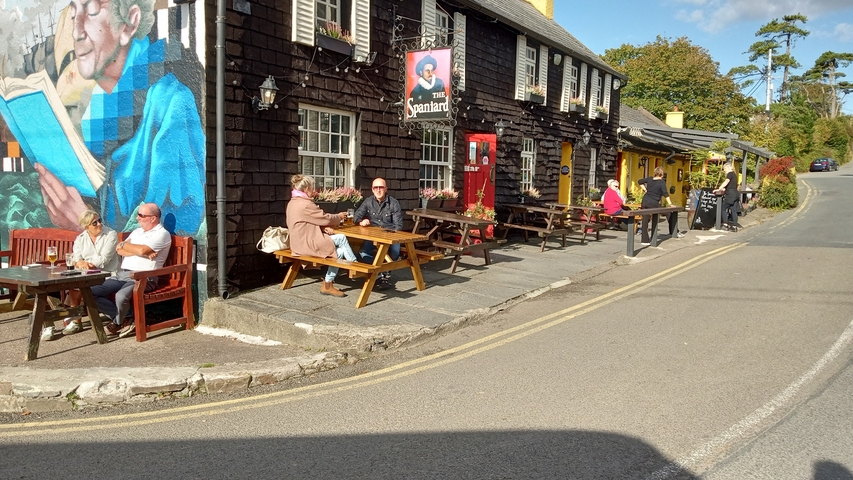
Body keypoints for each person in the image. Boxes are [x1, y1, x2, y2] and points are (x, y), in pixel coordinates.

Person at [35, 0, 205, 236]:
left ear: (129, 23)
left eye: (91, 12)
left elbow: (176, 230)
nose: (76, 31)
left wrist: (83, 223)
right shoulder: (92, 113)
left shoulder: (170, 103)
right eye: (74, 15)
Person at [91, 203, 172, 338]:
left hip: (144, 276)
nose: (137, 218)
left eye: (141, 215)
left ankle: (118, 322)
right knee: (90, 293)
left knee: (121, 297)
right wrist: (135, 249)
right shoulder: (137, 231)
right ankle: (126, 318)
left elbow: (141, 250)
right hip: (123, 273)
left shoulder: (161, 234)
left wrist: (130, 247)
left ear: (153, 218)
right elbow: (119, 249)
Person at [40, 210, 120, 341]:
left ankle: (74, 319)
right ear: (86, 226)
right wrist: (80, 262)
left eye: (100, 220)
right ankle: (74, 320)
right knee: (73, 285)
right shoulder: (81, 238)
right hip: (86, 274)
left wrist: (86, 264)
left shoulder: (110, 234)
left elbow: (105, 258)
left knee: (81, 288)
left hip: (107, 274)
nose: (99, 224)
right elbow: (76, 258)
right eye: (95, 223)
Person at [286, 175, 357, 298]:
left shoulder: (293, 202)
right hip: (307, 244)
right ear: (307, 188)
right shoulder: (305, 204)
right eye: (312, 189)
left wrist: (323, 227)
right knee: (341, 238)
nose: (314, 192)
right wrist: (339, 216)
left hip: (298, 243)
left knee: (339, 252)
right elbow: (324, 218)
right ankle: (355, 266)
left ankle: (328, 284)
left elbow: (309, 220)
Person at [353, 178, 404, 290]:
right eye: (375, 187)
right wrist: (361, 221)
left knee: (395, 252)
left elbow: (398, 226)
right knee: (363, 251)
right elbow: (355, 216)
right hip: (373, 236)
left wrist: (389, 236)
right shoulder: (368, 201)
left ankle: (383, 274)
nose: (378, 190)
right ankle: (380, 275)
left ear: (386, 189)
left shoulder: (394, 203)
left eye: (381, 187)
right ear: (372, 189)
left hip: (390, 235)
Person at [637, 167, 683, 245]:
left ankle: (644, 241)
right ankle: (674, 231)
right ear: (662, 174)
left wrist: (645, 190)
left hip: (645, 201)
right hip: (653, 203)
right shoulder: (661, 182)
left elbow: (639, 181)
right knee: (668, 212)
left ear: (655, 173)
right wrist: (670, 204)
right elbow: (665, 194)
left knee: (645, 219)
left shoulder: (650, 179)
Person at [407, 53, 449, 120]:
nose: (430, 74)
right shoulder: (415, 92)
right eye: (427, 71)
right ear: (421, 72)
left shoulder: (439, 83)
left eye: (431, 70)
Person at [714, 162, 740, 231]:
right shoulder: (734, 175)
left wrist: (719, 188)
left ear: (728, 168)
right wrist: (723, 189)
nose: (724, 170)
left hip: (730, 195)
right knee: (733, 210)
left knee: (723, 208)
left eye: (724, 169)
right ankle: (734, 227)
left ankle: (725, 224)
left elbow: (726, 182)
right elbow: (731, 185)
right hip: (736, 194)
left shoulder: (730, 174)